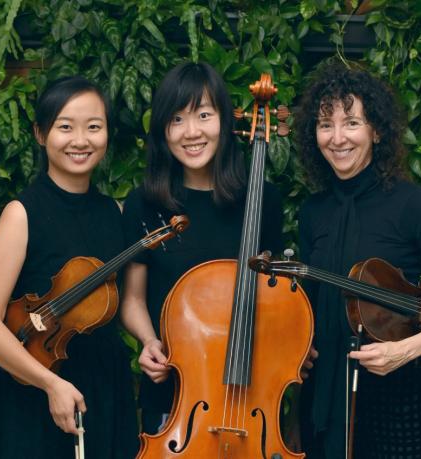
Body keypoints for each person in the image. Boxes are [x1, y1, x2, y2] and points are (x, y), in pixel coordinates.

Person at [293, 60, 421, 459]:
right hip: (323, 404)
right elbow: (311, 304)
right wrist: (303, 343)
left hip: (399, 408)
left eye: (351, 122)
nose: (337, 137)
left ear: (377, 130)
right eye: (324, 124)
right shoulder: (312, 212)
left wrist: (403, 351)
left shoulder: (410, 203)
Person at [0, 76, 138, 459]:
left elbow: (121, 306)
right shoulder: (21, 214)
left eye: (94, 127)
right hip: (34, 387)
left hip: (103, 387)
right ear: (41, 134)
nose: (81, 140)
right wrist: (49, 384)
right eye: (65, 127)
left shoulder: (116, 213)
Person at [120, 61, 284, 434]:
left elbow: (277, 299)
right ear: (163, 131)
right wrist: (148, 341)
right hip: (172, 396)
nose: (191, 132)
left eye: (203, 115)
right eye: (176, 120)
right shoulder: (144, 203)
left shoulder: (263, 201)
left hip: (249, 395)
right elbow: (132, 300)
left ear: (226, 121)